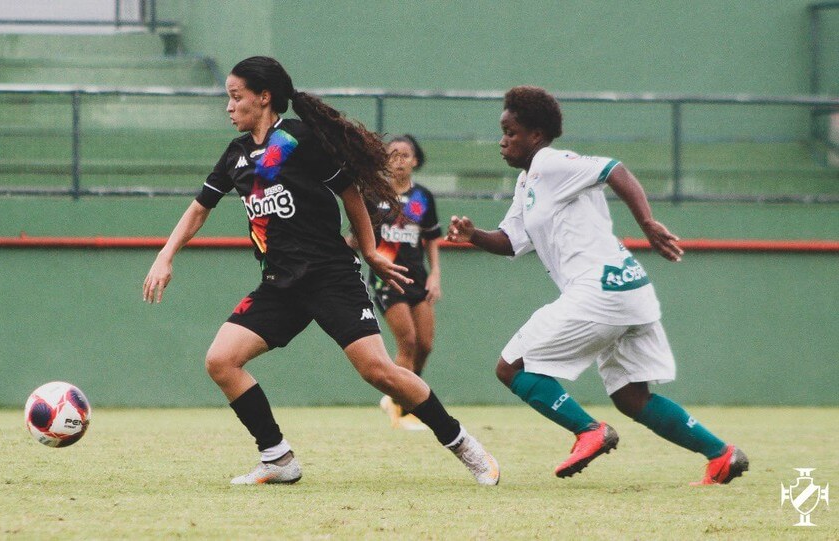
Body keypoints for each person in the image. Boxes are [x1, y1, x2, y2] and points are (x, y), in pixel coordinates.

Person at [142, 56, 499, 486]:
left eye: (236, 97)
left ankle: (464, 445)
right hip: (279, 285)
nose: (229, 106)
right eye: (228, 98)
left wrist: (369, 250)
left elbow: (351, 193)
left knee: (378, 371)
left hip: (330, 275)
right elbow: (199, 208)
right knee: (221, 361)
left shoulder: (294, 138)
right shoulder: (236, 156)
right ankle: (277, 458)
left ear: (264, 97)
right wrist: (166, 255)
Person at [446, 85, 748, 485]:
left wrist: (647, 223)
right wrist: (473, 235)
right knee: (631, 397)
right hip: (629, 289)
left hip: (599, 290)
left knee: (511, 366)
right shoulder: (528, 183)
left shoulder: (551, 162)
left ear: (536, 136)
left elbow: (613, 169)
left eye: (511, 131)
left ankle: (589, 431)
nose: (503, 140)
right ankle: (722, 455)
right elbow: (511, 242)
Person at [366, 135, 442, 431]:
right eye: (393, 154)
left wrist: (435, 274)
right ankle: (400, 408)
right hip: (389, 278)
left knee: (425, 344)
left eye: (405, 155)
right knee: (407, 341)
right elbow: (358, 235)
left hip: (417, 278)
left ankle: (403, 395)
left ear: (415, 161)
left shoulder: (422, 198)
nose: (398, 160)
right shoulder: (373, 195)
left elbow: (432, 238)